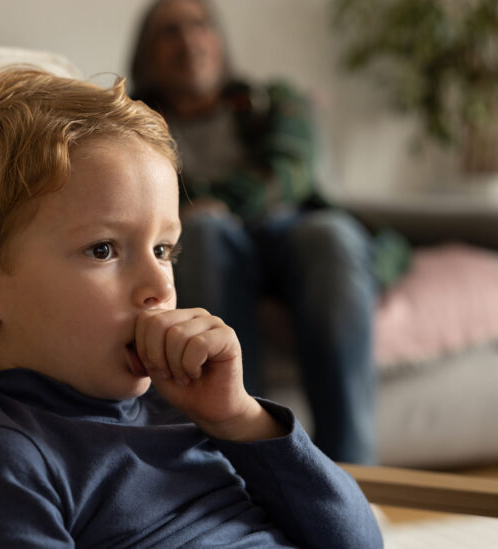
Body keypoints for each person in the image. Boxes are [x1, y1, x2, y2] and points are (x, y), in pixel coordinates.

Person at [0, 67, 382, 547]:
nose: (159, 286)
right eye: (103, 250)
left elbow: (359, 541)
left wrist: (240, 418)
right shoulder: (4, 459)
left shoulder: (187, 408)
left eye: (164, 251)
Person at [129, 0, 386, 464]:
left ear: (219, 40)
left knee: (332, 234)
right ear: (146, 52)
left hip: (290, 233)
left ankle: (353, 473)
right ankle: (253, 458)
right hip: (207, 245)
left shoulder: (275, 100)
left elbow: (290, 173)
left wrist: (221, 200)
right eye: (169, 32)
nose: (188, 41)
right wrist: (205, 211)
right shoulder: (134, 123)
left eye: (199, 25)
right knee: (203, 231)